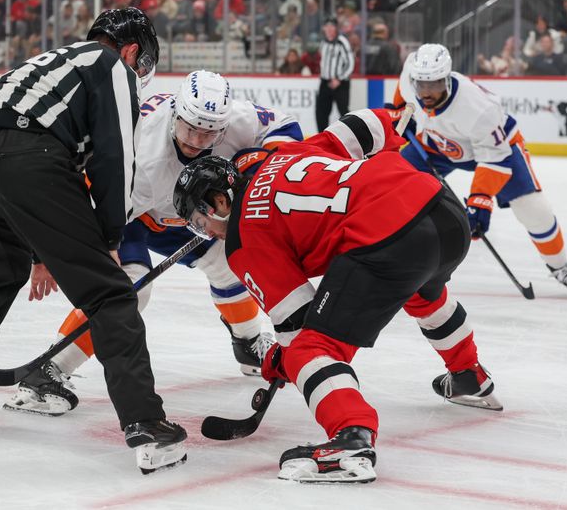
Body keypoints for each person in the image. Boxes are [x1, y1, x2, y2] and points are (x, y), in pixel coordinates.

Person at [0, 7, 187, 475]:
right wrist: (108, 238)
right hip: (27, 158)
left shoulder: (52, 61)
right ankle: (146, 424)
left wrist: (42, 252)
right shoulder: (112, 68)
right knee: (109, 293)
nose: (138, 74)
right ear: (130, 51)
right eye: (141, 65)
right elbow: (113, 157)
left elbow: (16, 142)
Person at [172, 108, 503, 483]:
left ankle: (352, 437)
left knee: (310, 351)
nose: (208, 233)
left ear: (218, 200)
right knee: (422, 293)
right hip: (442, 208)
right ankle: (468, 375)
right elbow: (367, 125)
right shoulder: (289, 153)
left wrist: (280, 361)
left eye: (200, 224)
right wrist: (397, 129)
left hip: (390, 237)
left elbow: (297, 323)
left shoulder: (243, 239)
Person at [3, 70, 304, 416]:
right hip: (125, 212)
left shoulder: (236, 118)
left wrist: (259, 167)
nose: (197, 140)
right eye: (190, 128)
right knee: (126, 289)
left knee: (228, 260)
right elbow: (98, 207)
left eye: (209, 133)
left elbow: (286, 128)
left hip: (184, 209)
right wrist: (66, 253)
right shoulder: (146, 153)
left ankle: (248, 342)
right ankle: (50, 369)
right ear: (176, 113)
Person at [391, 43, 567, 295]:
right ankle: (388, 254)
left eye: (435, 85)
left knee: (534, 210)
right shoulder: (412, 71)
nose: (427, 92)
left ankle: (561, 268)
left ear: (448, 79)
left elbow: (494, 159)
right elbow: (402, 94)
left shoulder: (479, 108)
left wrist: (479, 202)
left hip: (497, 149)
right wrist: (398, 114)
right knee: (393, 184)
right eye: (422, 84)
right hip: (438, 143)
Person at [316, 17, 355, 132]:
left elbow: (350, 62)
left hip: (340, 83)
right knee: (321, 112)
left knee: (343, 111)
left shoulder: (342, 42)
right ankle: (322, 137)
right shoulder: (323, 43)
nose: (329, 29)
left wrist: (339, 79)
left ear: (336, 28)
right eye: (326, 26)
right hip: (325, 82)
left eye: (331, 26)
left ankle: (349, 136)